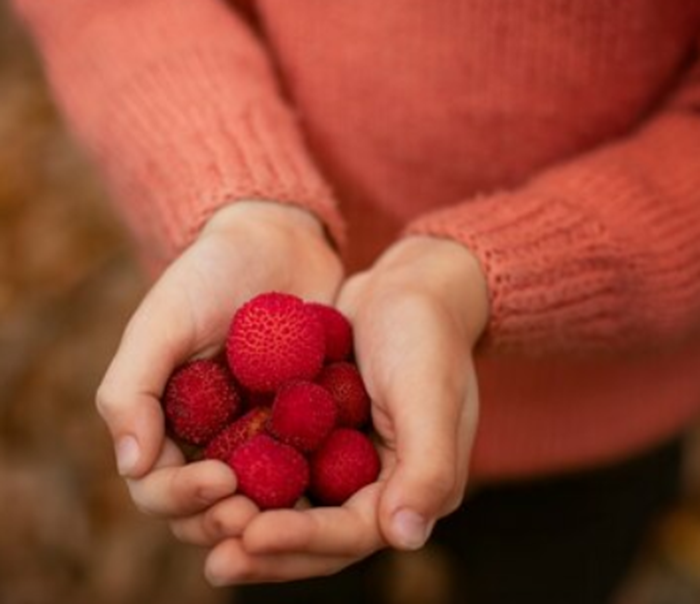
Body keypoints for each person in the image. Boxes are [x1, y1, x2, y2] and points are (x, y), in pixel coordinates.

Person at [12, 0, 700, 602]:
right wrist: (241, 198)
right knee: (288, 574)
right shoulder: (289, 406)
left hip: (603, 410)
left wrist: (479, 274)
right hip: (309, 357)